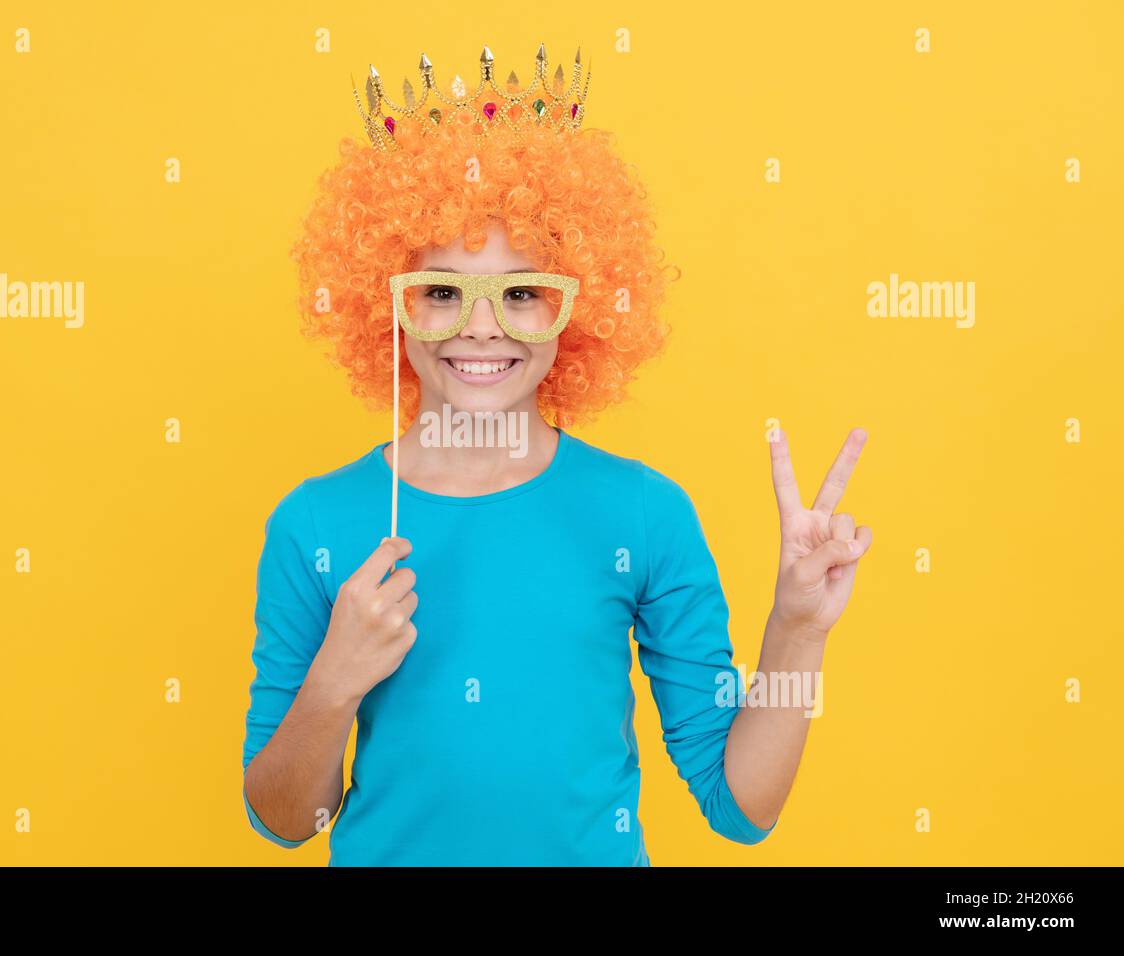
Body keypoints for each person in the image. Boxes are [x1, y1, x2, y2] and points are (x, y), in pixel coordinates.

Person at [241, 44, 872, 865]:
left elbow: (740, 805)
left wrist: (795, 632)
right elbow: (286, 820)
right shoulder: (316, 522)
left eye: (522, 292)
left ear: (573, 309)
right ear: (389, 307)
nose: (479, 327)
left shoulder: (643, 514)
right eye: (440, 292)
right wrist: (334, 680)